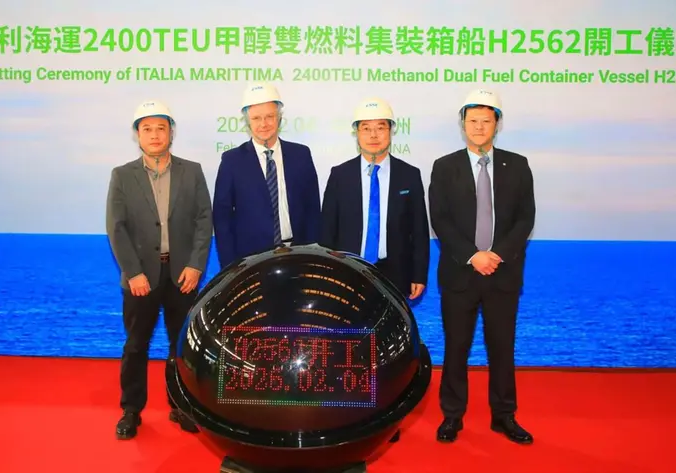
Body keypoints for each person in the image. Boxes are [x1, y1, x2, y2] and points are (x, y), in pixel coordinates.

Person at [428, 89, 536, 445]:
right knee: (456, 348)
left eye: (485, 121)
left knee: (502, 348)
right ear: (463, 124)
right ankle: (452, 416)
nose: (478, 127)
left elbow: (525, 218)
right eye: (472, 120)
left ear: (497, 124)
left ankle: (504, 416)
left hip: (503, 274)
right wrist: (473, 255)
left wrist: (497, 254)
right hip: (460, 273)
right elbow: (440, 219)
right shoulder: (445, 167)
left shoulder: (517, 165)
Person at [105, 100, 213, 440]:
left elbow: (204, 220)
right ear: (137, 135)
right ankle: (131, 410)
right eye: (147, 128)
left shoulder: (192, 171)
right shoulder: (122, 175)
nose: (155, 135)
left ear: (171, 133)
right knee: (136, 345)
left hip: (182, 275)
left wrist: (196, 265)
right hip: (141, 277)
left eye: (161, 128)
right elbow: (116, 228)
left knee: (181, 346)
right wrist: (133, 272)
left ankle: (181, 406)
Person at [320, 97, 429, 301]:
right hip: (348, 270)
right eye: (366, 128)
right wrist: (328, 272)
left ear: (391, 131)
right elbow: (327, 231)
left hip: (396, 273)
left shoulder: (409, 175)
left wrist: (419, 274)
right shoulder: (340, 175)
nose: (373, 135)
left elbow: (419, 231)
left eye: (380, 127)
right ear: (356, 133)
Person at [212, 82, 321, 268]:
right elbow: (222, 218)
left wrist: (312, 253)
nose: (263, 124)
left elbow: (312, 208)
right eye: (256, 118)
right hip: (250, 261)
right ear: (248, 122)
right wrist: (231, 266)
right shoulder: (232, 161)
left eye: (270, 116)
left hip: (298, 255)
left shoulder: (301, 155)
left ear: (279, 118)